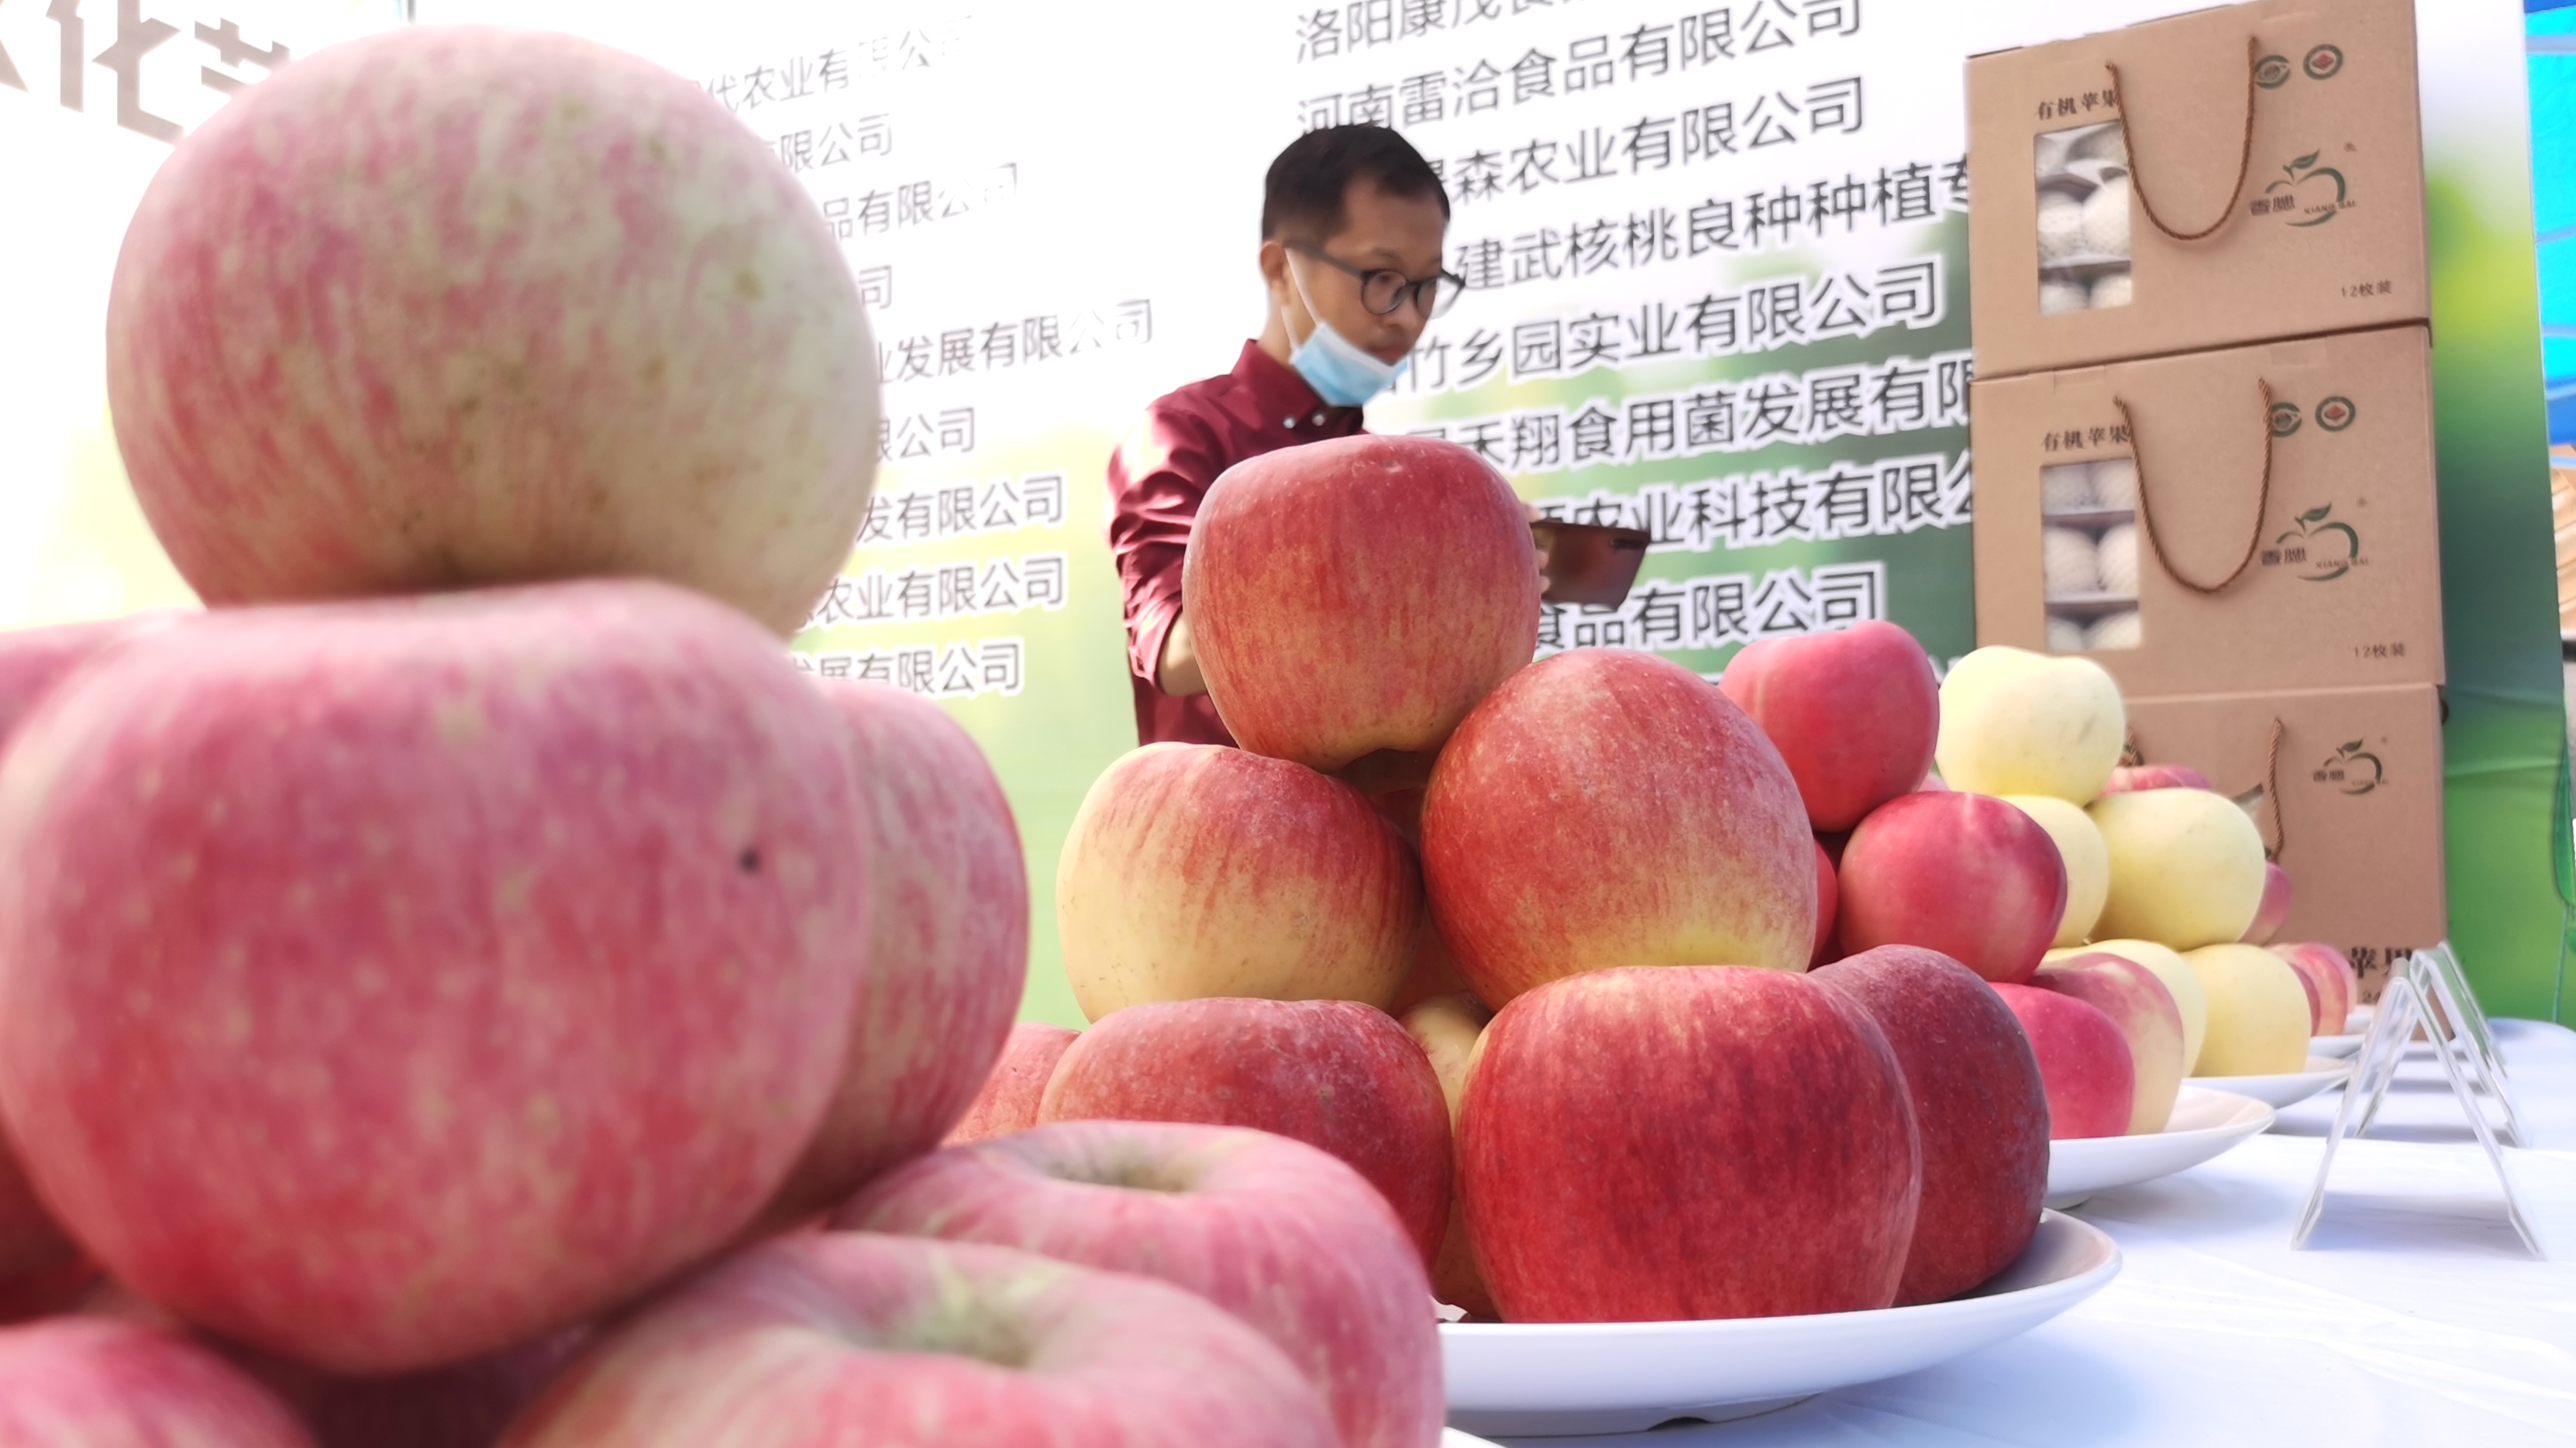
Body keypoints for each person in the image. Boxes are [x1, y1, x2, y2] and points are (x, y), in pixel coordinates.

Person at [1104, 124, 1461, 748]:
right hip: (1226, 832)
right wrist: (1396, 574)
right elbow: (1176, 650)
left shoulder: (1384, 468)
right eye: (1382, 279)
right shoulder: (1177, 437)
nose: (1408, 316)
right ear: (1281, 269)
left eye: (1428, 286)